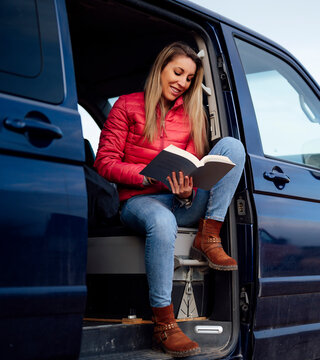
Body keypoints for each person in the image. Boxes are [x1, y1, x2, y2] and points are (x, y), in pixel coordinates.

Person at [94, 41, 245, 357]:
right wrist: (148, 176)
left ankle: (209, 236)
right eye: (178, 72)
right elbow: (104, 162)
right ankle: (164, 324)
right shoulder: (127, 106)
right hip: (139, 203)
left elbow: (192, 167)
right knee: (161, 221)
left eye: (189, 78)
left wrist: (189, 191)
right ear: (161, 69)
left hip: (181, 202)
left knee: (233, 148)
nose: (182, 83)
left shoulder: (191, 116)